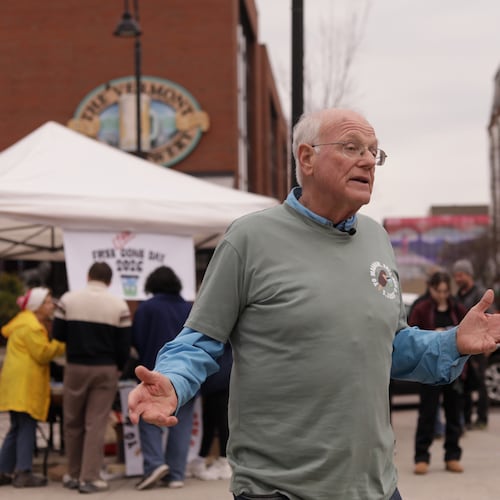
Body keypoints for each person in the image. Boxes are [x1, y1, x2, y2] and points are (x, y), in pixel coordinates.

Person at [127, 108, 500, 500]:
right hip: (279, 489)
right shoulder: (249, 239)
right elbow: (201, 341)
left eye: (375, 152)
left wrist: (453, 341)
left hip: (376, 486)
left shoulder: (377, 238)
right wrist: (171, 379)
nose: (369, 160)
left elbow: (389, 348)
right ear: (306, 158)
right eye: (352, 147)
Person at [52, 262, 131, 494]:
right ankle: (91, 476)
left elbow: (57, 334)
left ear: (88, 276)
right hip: (105, 368)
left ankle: (73, 474)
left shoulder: (68, 299)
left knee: (72, 422)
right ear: (109, 280)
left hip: (75, 366)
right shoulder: (118, 304)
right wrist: (118, 367)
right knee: (95, 422)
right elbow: (124, 344)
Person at [131, 266, 194, 490]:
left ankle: (154, 465)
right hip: (187, 376)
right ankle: (176, 474)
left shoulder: (146, 309)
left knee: (149, 419)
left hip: (152, 372)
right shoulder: (189, 308)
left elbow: (136, 340)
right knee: (182, 424)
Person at [0, 287, 65, 488]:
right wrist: (63, 344)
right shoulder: (31, 326)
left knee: (17, 427)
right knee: (26, 427)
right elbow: (43, 353)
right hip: (25, 385)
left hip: (15, 384)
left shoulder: (22, 322)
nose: (51, 305)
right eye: (46, 302)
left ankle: (3, 471)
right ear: (36, 306)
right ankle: (24, 472)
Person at [408, 271, 467, 475]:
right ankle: (421, 456)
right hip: (429, 369)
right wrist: (434, 335)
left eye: (445, 291)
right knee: (427, 413)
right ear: (431, 289)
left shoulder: (457, 308)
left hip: (453, 368)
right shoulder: (421, 308)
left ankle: (452, 455)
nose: (442, 295)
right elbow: (411, 335)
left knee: (453, 413)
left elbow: (466, 332)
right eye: (438, 291)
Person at [452, 258, 491, 430]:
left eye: (460, 275)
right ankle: (466, 419)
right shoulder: (457, 297)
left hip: (480, 346)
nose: (457, 279)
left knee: (480, 383)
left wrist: (489, 345)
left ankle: (482, 418)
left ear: (468, 275)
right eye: (455, 276)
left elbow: (490, 319)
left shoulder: (479, 294)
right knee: (465, 383)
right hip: (463, 345)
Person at [188, 342, 232, 481]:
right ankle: (202, 458)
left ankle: (224, 461)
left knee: (221, 419)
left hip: (220, 373)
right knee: (211, 419)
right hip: (215, 374)